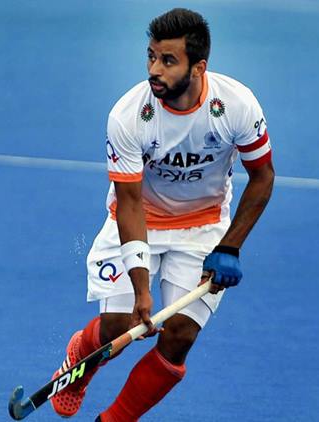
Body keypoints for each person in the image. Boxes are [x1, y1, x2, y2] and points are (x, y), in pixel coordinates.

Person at [50, 8, 274, 421]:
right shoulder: (128, 116)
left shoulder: (236, 105)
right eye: (151, 56)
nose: (154, 69)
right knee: (119, 327)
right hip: (140, 220)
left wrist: (230, 247)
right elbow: (130, 202)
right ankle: (82, 354)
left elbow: (263, 177)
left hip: (203, 226)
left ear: (198, 67)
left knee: (180, 337)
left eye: (168, 60)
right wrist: (141, 290)